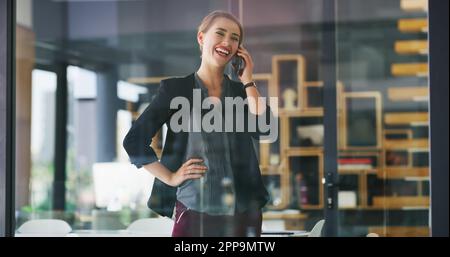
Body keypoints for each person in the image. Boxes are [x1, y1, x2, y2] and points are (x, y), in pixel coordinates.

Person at [123, 10, 274, 237]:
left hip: (244, 213)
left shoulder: (241, 92)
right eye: (220, 34)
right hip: (194, 212)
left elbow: (264, 129)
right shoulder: (175, 90)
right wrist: (171, 177)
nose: (227, 42)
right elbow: (134, 141)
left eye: (235, 38)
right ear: (201, 38)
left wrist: (248, 80)